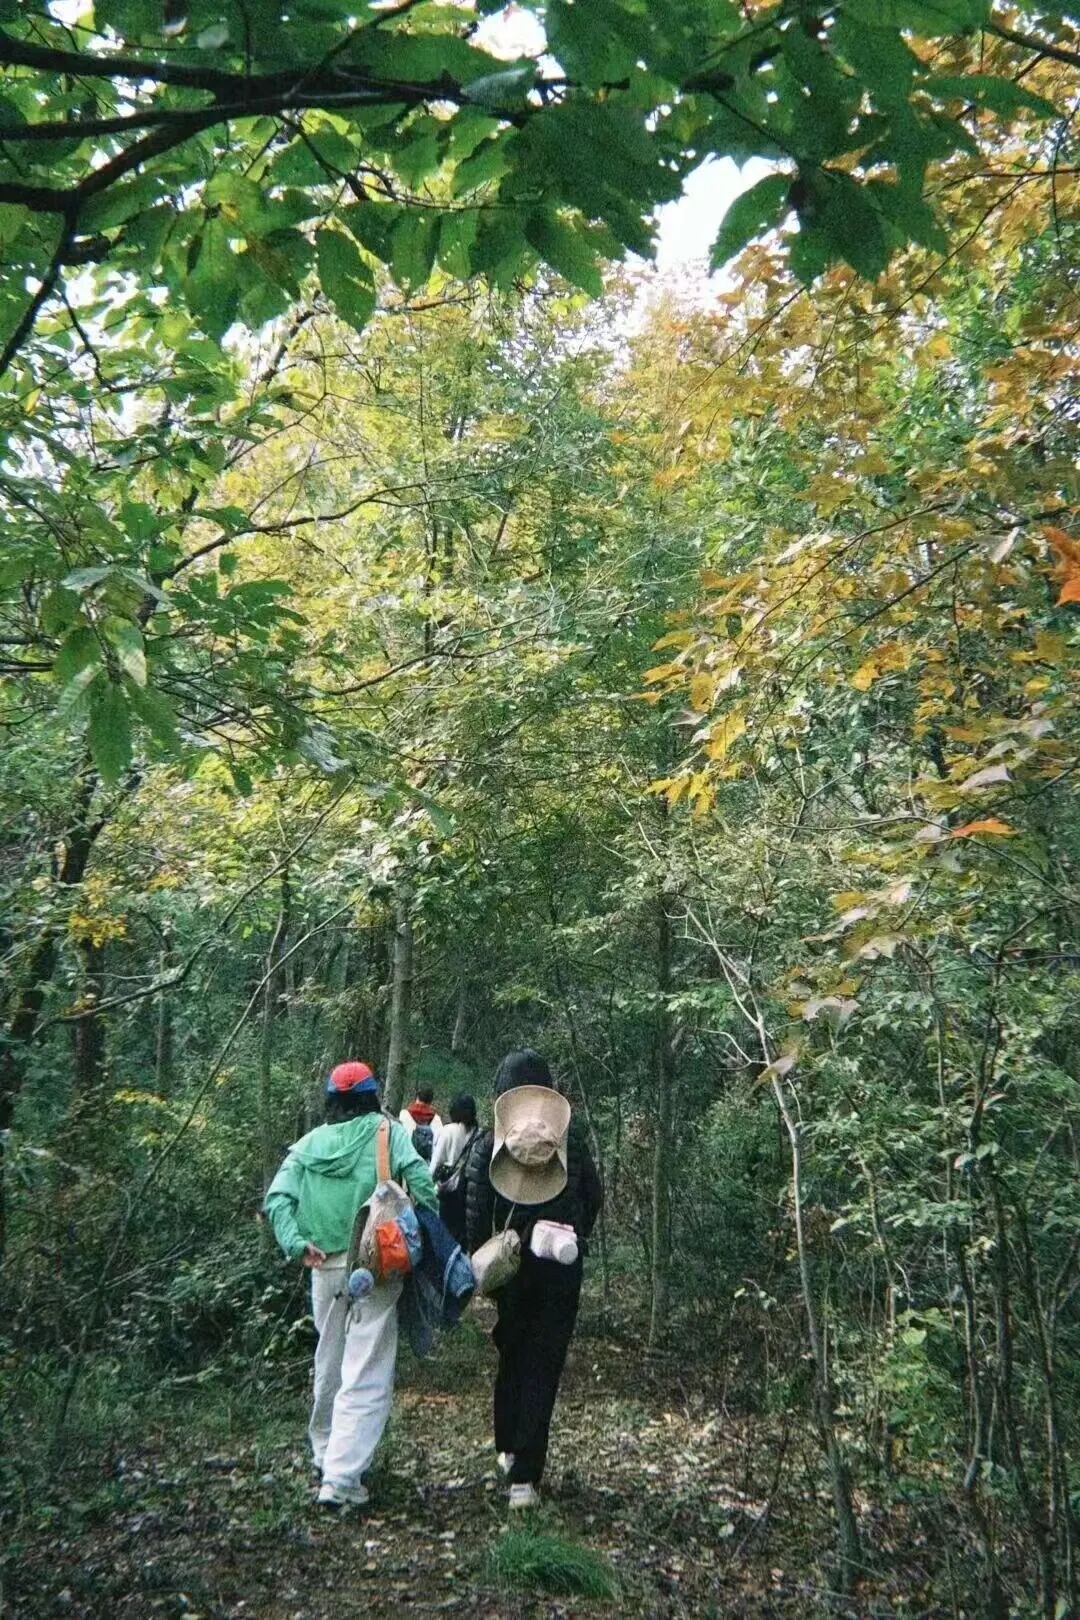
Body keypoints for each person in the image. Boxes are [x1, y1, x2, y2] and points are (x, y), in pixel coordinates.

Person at [264, 1060, 437, 1509]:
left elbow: (277, 1199)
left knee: (330, 1359)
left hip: (324, 1266)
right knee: (368, 1368)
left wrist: (296, 1244)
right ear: (371, 1096)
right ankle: (342, 1477)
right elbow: (422, 1183)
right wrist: (423, 1235)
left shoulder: (308, 1145)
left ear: (332, 1101)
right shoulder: (386, 1133)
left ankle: (324, 1454)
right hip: (377, 1265)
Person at [465, 1049, 602, 1510]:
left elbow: (475, 1208)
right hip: (560, 1270)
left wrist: (486, 1255)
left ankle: (507, 1450)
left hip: (511, 1271)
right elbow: (594, 1196)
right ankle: (526, 1476)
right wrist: (575, 1234)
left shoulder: (490, 1143)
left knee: (512, 1355)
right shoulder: (571, 1140)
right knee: (544, 1365)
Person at [430, 1093, 479, 1247]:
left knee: (446, 1238)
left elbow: (435, 1165)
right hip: (469, 1194)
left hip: (449, 1194)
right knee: (463, 1239)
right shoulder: (479, 1133)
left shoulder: (448, 1131)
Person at [398, 1082, 442, 1162]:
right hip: (426, 1164)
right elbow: (438, 1146)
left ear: (417, 1095)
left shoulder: (403, 1114)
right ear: (431, 1100)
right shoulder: (436, 1119)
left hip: (406, 1160)